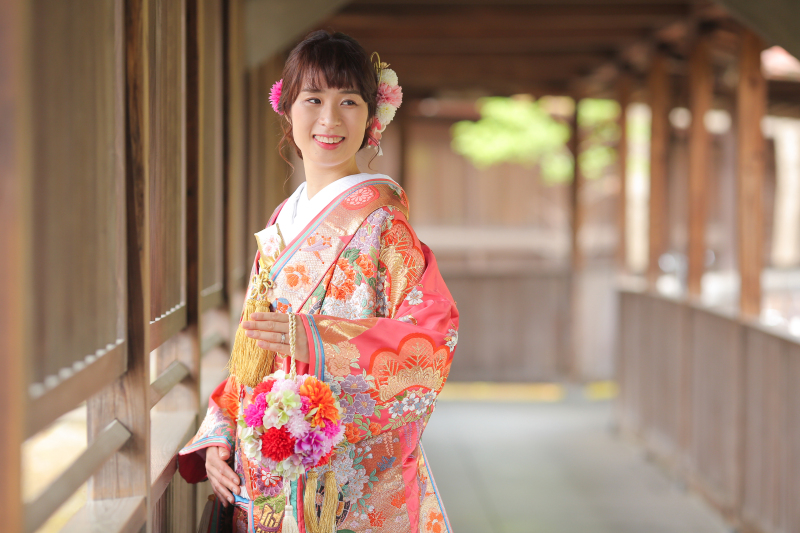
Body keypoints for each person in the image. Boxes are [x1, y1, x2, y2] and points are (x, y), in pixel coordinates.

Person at [178, 29, 458, 533]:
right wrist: (221, 432)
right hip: (266, 475)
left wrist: (317, 340)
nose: (330, 120)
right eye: (313, 99)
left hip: (351, 482)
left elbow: (430, 346)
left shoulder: (385, 227)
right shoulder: (284, 220)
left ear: (373, 118)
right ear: (286, 109)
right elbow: (251, 352)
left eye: (348, 101)